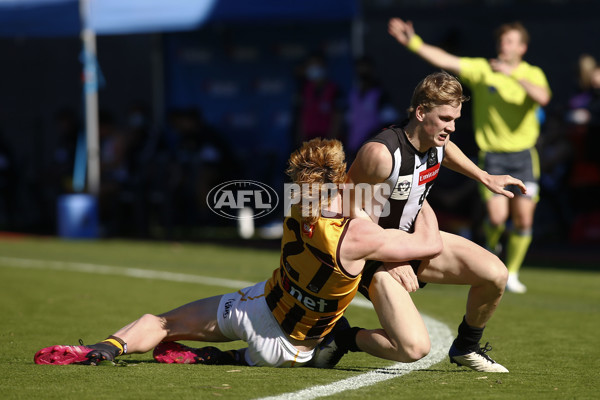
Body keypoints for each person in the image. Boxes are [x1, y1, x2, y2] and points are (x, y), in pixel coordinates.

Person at [34, 138, 442, 368]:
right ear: (339, 182)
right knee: (390, 343)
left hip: (258, 307)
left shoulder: (297, 200)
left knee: (160, 322)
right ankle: (218, 359)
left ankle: (106, 348)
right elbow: (430, 245)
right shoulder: (359, 236)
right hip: (291, 349)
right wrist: (419, 201)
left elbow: (334, 194)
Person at [314, 72, 526, 373]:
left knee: (495, 275)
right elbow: (348, 207)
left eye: (455, 118)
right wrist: (390, 258)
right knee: (413, 349)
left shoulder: (435, 138)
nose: (451, 127)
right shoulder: (381, 154)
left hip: (410, 241)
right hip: (371, 255)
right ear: (421, 112)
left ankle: (466, 347)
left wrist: (484, 176)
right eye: (445, 119)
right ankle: (343, 337)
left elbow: (445, 149)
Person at [388, 18, 551, 293]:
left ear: (522, 48)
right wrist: (413, 42)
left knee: (524, 219)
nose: (503, 45)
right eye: (501, 40)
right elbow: (447, 60)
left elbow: (543, 97)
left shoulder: (531, 73)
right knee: (497, 218)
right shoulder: (484, 70)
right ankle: (492, 248)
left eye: (510, 41)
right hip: (493, 155)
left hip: (523, 155)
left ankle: (512, 272)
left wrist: (511, 75)